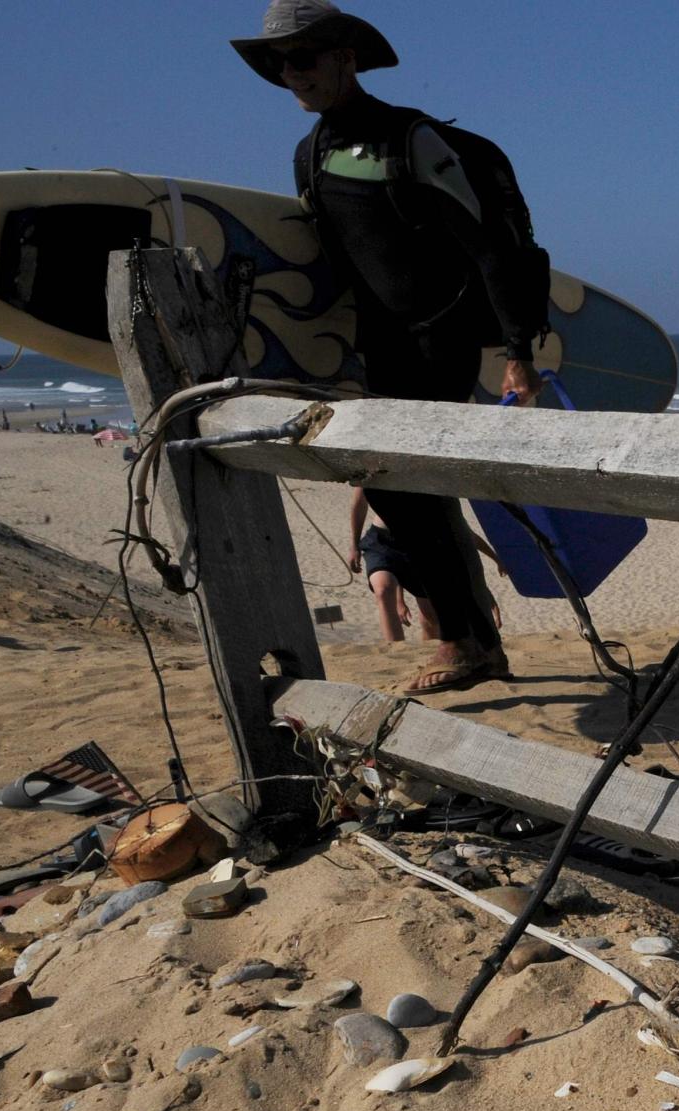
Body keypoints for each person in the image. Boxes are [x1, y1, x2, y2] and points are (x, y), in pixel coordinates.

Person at [232, 1, 547, 695]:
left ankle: (465, 644)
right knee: (404, 492)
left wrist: (519, 351)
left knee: (406, 488)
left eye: (306, 57)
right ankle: (476, 645)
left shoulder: (411, 139)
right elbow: (338, 268)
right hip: (378, 348)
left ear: (347, 56)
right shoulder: (308, 154)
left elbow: (488, 247)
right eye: (281, 63)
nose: (293, 74)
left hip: (441, 338)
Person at [347, 486, 439, 643]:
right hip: (382, 540)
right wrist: (354, 545)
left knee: (430, 615)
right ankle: (396, 655)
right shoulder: (371, 464)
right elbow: (359, 501)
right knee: (383, 589)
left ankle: (428, 654)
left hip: (420, 543)